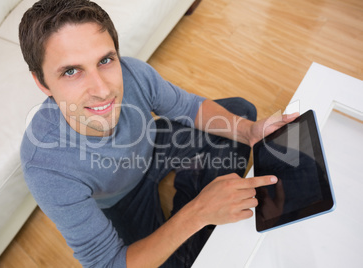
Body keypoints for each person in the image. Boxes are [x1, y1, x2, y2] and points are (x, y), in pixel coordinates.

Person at [19, 0, 298, 267]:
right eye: (71, 71)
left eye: (105, 60)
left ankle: (198, 199)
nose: (102, 89)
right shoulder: (45, 166)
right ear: (42, 82)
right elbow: (108, 263)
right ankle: (201, 206)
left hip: (152, 146)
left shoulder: (134, 72)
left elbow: (187, 106)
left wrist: (250, 132)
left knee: (240, 111)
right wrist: (197, 213)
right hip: (121, 198)